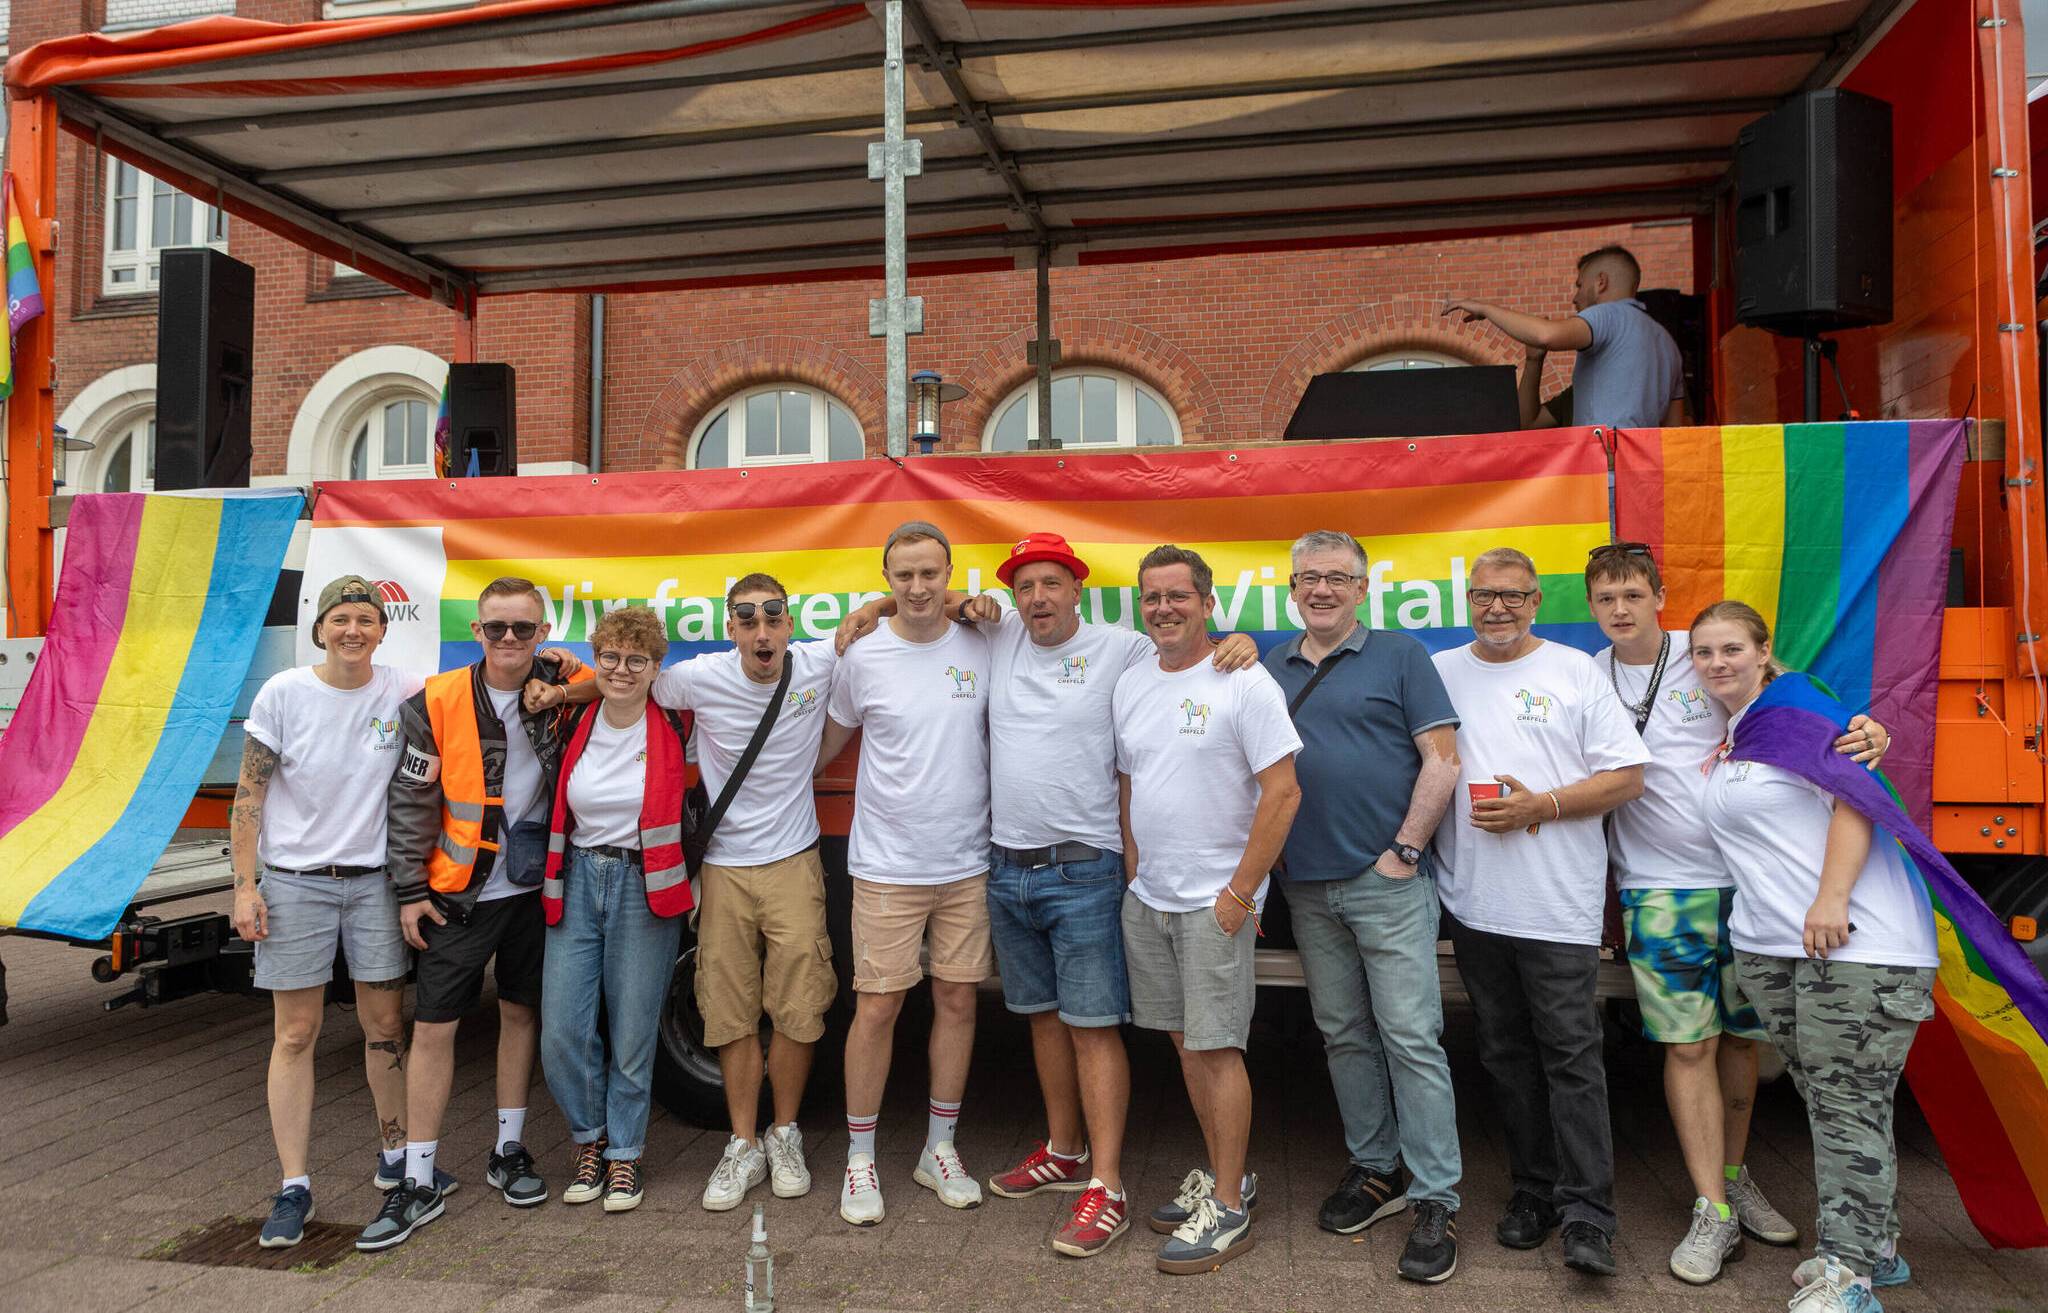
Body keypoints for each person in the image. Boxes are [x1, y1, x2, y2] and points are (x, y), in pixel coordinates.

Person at [1587, 544, 1892, 1285]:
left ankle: (1734, 1173)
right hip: (1658, 888)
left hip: (1749, 888)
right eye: (1605, 598)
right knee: (1687, 1045)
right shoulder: (1585, 675)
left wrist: (1866, 727)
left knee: (1742, 1043)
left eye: (1633, 594)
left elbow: (1791, 702)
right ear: (1590, 606)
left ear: (1660, 596)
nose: (1620, 609)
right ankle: (1712, 1208)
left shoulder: (1703, 659)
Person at [944, 532, 1254, 1259]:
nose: (1038, 597)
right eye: (1025, 586)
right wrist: (870, 611)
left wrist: (1238, 644)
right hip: (1008, 866)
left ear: (1078, 588)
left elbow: (1190, 654)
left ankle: (1107, 1186)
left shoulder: (1123, 648)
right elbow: (926, 598)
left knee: (1091, 1026)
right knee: (1042, 1017)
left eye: (1052, 583)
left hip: (1084, 869)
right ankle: (1064, 1149)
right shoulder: (998, 633)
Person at [1690, 601, 1939, 1313]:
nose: (1717, 662)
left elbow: (1855, 798)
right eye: (1704, 652)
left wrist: (1832, 897)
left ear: (1764, 649)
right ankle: (1874, 1247)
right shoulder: (1741, 731)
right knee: (1839, 1102)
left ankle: (1849, 1276)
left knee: (1844, 1106)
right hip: (1781, 948)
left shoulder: (1798, 710)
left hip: (1857, 943)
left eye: (1732, 648)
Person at [1430, 546, 1648, 1277]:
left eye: (1513, 595)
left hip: (1557, 906)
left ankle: (1589, 1214)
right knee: (1504, 1054)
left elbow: (1628, 777)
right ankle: (1533, 1192)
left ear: (1535, 601)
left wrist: (1543, 805)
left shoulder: (1573, 671)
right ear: (1468, 599)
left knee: (1572, 1058)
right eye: (1484, 595)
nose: (1498, 608)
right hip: (1474, 904)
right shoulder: (1441, 671)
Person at [359, 576, 591, 1251]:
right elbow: (409, 801)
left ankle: (508, 1150)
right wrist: (410, 890)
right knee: (434, 1029)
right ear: (477, 632)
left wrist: (568, 679)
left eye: (523, 627)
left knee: (520, 1014)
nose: (509, 638)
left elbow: (618, 681)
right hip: (457, 895)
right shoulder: (436, 700)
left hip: (533, 891)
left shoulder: (562, 681)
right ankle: (417, 1179)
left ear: (543, 632)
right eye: (496, 627)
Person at [1262, 531, 1464, 1283]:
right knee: (1344, 1033)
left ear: (1362, 588)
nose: (1322, 589)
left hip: (1388, 882)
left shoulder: (1401, 655)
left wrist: (1405, 850)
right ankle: (1377, 1169)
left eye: (1337, 578)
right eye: (1309, 577)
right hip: (1307, 885)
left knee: (1411, 1037)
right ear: (1292, 587)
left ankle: (1437, 1197)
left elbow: (1443, 759)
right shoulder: (1269, 663)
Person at [230, 575, 436, 1248]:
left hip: (375, 884)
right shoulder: (284, 693)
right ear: (320, 629)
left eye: (366, 619)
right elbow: (249, 797)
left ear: (383, 630)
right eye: (340, 618)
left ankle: (397, 1157)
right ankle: (293, 1183)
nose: (353, 630)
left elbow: (477, 694)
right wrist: (244, 886)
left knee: (386, 1027)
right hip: (295, 884)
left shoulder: (405, 689)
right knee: (296, 1033)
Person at [1114, 544, 1301, 1275]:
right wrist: (1134, 865)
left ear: (1207, 602)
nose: (1164, 608)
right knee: (1187, 1044)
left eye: (1179, 596)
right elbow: (1131, 779)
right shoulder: (1134, 679)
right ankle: (1230, 1177)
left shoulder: (1244, 681)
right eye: (1153, 597)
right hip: (1152, 898)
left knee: (1218, 1049)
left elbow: (1284, 792)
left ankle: (1227, 1209)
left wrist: (1239, 893)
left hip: (1213, 902)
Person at [817, 522, 994, 1226]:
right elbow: (824, 743)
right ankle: (860, 1157)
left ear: (950, 574)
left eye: (930, 574)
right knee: (878, 1007)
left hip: (967, 861)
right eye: (904, 576)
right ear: (886, 580)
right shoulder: (862, 655)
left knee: (957, 1002)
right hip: (887, 866)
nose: (918, 587)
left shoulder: (983, 641)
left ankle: (939, 1147)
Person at [533, 606, 693, 1213]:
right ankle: (589, 1138)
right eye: (610, 657)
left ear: (655, 668)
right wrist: (562, 689)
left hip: (644, 886)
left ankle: (624, 1153)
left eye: (636, 660)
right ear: (595, 660)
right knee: (563, 1032)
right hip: (575, 878)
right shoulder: (574, 717)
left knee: (631, 1031)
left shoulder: (676, 720)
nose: (621, 670)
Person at [1443, 245, 1685, 429]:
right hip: (1647, 474)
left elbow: (1546, 334)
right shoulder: (1668, 344)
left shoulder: (1607, 314)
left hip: (1604, 471)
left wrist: (1484, 308)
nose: (1575, 298)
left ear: (1601, 282)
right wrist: (1534, 359)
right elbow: (1677, 430)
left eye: (1579, 285)